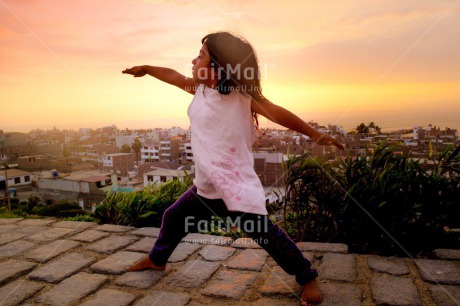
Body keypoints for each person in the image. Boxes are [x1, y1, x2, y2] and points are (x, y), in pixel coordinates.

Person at [122, 31, 344, 306]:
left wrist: (314, 133)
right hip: (206, 187)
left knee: (266, 234)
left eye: (201, 56)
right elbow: (172, 75)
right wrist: (147, 69)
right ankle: (157, 260)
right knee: (174, 217)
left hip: (234, 187)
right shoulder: (199, 89)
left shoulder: (242, 98)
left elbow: (278, 112)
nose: (193, 60)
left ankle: (307, 277)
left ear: (219, 67)